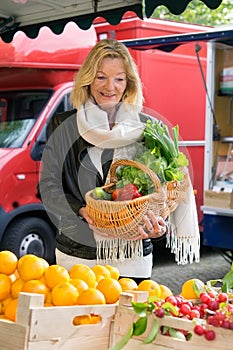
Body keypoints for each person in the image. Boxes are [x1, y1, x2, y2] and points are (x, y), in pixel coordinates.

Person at [39, 39, 199, 282]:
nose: (110, 87)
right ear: (88, 79)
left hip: (132, 256)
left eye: (119, 79)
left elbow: (163, 191)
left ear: (129, 84)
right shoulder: (64, 125)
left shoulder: (149, 129)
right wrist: (81, 210)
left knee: (131, 319)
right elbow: (48, 187)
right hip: (78, 255)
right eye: (101, 77)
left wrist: (158, 225)